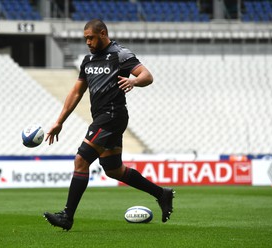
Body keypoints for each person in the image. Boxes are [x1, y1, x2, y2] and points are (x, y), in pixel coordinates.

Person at [43, 19, 174, 231]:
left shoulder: (120, 55)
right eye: (85, 38)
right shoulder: (88, 61)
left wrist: (133, 81)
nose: (87, 42)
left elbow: (147, 76)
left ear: (103, 33)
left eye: (91, 37)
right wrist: (59, 121)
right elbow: (76, 92)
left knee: (80, 160)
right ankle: (162, 194)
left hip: (112, 116)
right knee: (114, 170)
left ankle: (67, 216)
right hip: (102, 118)